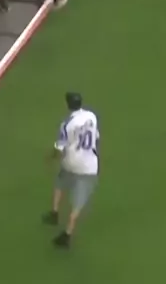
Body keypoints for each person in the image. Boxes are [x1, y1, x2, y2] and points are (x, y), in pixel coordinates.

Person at [43, 91, 99, 249]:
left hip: (71, 161)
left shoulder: (67, 123)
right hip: (89, 166)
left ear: (68, 105)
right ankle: (67, 234)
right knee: (78, 203)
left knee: (60, 181)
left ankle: (54, 213)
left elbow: (60, 148)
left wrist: (50, 158)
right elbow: (95, 137)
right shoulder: (91, 116)